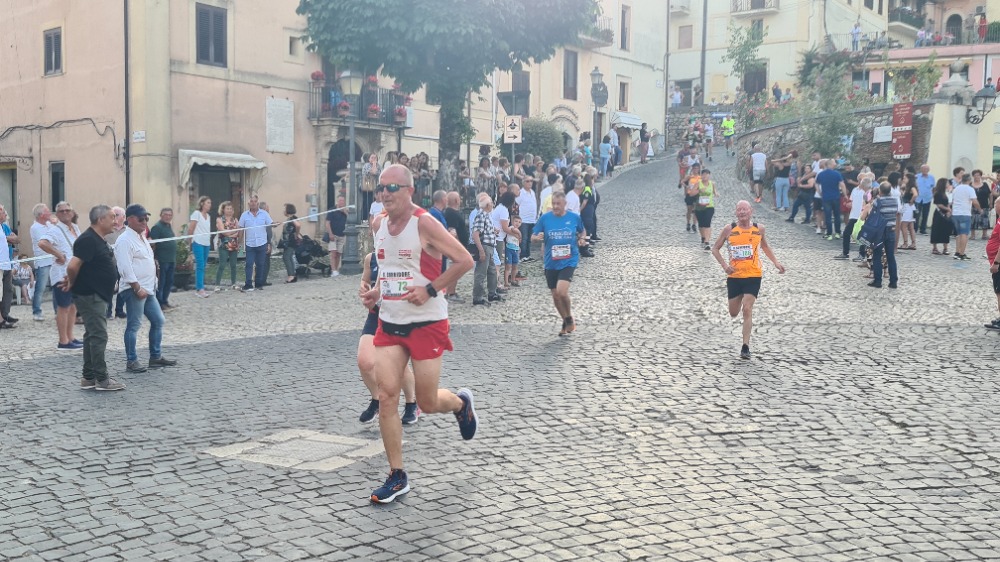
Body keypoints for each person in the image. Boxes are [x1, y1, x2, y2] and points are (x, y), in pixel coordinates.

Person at [360, 163, 477, 504]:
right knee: (387, 396)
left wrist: (429, 289)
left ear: (410, 190)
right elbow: (389, 268)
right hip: (390, 322)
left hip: (427, 323)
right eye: (380, 188)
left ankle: (460, 404)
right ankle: (397, 475)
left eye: (391, 188)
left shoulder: (424, 223)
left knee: (426, 401)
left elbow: (464, 260)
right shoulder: (379, 224)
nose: (384, 194)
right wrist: (376, 292)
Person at [62, 205, 125, 391]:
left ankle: (88, 377)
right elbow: (72, 266)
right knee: (99, 335)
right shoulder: (88, 239)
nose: (115, 221)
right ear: (100, 220)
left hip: (96, 294)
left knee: (92, 335)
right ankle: (102, 379)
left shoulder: (97, 239)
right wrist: (72, 282)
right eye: (112, 217)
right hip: (90, 295)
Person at [711, 201, 785, 360]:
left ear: (751, 211)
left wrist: (776, 262)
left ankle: (745, 346)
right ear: (736, 212)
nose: (742, 212)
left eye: (745, 209)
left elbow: (765, 246)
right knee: (733, 313)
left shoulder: (759, 229)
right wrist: (725, 266)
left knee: (747, 308)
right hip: (735, 277)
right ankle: (738, 299)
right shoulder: (729, 229)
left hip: (753, 275)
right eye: (739, 210)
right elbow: (715, 248)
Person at [357, 251, 420, 425]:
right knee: (365, 361)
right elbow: (365, 280)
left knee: (397, 364)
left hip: (400, 315)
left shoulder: (405, 252)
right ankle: (377, 400)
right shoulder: (371, 258)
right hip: (376, 315)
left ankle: (412, 403)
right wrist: (364, 289)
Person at [116, 204, 177, 373]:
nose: (144, 222)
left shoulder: (141, 236)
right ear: (130, 219)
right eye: (141, 219)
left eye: (146, 218)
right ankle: (131, 360)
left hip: (148, 288)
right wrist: (136, 288)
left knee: (158, 320)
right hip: (134, 289)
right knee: (134, 325)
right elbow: (124, 267)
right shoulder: (124, 240)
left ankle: (155, 357)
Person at [532, 190, 586, 336]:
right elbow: (533, 236)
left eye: (558, 204)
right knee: (555, 295)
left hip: (569, 259)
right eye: (553, 204)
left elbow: (582, 231)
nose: (555, 206)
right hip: (551, 262)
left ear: (564, 204)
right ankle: (566, 320)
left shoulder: (574, 217)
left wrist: (582, 239)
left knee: (562, 291)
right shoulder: (545, 218)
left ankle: (568, 319)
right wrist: (536, 238)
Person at [40, 201, 82, 349]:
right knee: (63, 307)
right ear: (57, 214)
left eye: (67, 210)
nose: (65, 213)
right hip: (61, 274)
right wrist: (58, 254)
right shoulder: (55, 230)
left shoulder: (75, 228)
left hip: (75, 273)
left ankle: (71, 337)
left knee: (73, 306)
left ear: (72, 212)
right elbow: (42, 243)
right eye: (61, 211)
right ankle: (63, 340)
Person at [861, 182, 900, 288]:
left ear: (880, 191)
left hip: (880, 231)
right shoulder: (895, 201)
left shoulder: (878, 201)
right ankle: (893, 281)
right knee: (890, 256)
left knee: (877, 255)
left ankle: (878, 281)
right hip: (891, 230)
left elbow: (873, 214)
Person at [471, 194, 500, 306]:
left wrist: (493, 231)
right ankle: (477, 297)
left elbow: (483, 230)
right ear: (487, 205)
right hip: (485, 246)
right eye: (491, 203)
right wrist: (481, 251)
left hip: (490, 246)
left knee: (492, 270)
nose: (493, 204)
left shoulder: (487, 215)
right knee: (481, 273)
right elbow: (475, 234)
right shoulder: (481, 215)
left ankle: (492, 293)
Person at [239, 195, 273, 292]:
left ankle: (258, 284)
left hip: (262, 243)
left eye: (255, 201)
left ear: (258, 203)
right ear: (249, 203)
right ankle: (248, 284)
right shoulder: (244, 215)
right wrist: (239, 242)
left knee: (260, 264)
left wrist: (276, 224)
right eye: (251, 201)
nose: (253, 203)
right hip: (250, 244)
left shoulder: (264, 214)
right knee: (249, 264)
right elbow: (241, 229)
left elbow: (270, 224)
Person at [29, 203, 57, 321]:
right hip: (43, 261)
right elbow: (47, 241)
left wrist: (55, 224)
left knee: (57, 286)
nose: (50, 213)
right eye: (47, 211)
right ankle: (37, 311)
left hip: (54, 260)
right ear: (41, 215)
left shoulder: (50, 225)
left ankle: (58, 311)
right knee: (40, 288)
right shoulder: (35, 228)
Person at [149, 208, 178, 308]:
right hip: (162, 259)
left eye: (170, 215)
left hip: (171, 259)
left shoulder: (168, 226)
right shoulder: (157, 227)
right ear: (161, 215)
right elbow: (153, 244)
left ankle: (165, 300)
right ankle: (159, 302)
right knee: (161, 282)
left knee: (169, 281)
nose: (168, 217)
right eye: (166, 214)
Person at [950, 173, 980, 261]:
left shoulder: (956, 189)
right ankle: (962, 253)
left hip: (956, 213)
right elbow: (974, 201)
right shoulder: (970, 189)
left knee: (958, 234)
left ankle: (957, 252)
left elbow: (952, 200)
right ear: (969, 180)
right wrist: (980, 209)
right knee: (964, 234)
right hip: (964, 214)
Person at [187, 196, 212, 298]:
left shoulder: (208, 216)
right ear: (202, 204)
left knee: (203, 265)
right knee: (200, 265)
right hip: (197, 242)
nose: (210, 205)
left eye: (210, 203)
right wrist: (190, 242)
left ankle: (200, 286)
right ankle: (200, 289)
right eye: (208, 202)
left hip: (206, 243)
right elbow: (191, 228)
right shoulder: (196, 214)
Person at [817, 159, 845, 239]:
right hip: (836, 197)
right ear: (830, 164)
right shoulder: (837, 174)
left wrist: (819, 192)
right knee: (837, 215)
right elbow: (842, 184)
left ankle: (829, 234)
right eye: (833, 163)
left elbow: (816, 184)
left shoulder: (821, 174)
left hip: (826, 197)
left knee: (828, 216)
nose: (835, 164)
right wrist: (845, 194)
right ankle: (837, 233)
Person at [214, 202, 240, 289]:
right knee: (222, 265)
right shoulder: (219, 219)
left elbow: (238, 232)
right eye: (227, 208)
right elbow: (223, 232)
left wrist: (230, 233)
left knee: (233, 265)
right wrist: (232, 232)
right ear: (223, 210)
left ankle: (233, 283)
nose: (229, 210)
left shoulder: (235, 220)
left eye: (231, 209)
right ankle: (217, 285)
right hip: (223, 245)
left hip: (234, 244)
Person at [984, 198, 1000, 329]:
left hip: (998, 262)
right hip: (994, 259)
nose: (995, 206)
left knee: (999, 291)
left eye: (996, 204)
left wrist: (996, 262)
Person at [695, 169, 718, 251]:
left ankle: (707, 242)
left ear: (709, 175)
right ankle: (703, 237)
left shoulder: (712, 184)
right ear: (701, 175)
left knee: (707, 223)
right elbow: (691, 193)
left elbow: (714, 192)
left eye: (706, 174)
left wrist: (716, 194)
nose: (705, 176)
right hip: (700, 207)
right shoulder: (698, 183)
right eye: (703, 174)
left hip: (709, 206)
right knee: (701, 224)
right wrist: (699, 191)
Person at [930, 178, 953, 255]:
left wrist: (949, 210)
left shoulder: (947, 193)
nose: (948, 184)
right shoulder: (938, 193)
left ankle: (945, 248)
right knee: (936, 229)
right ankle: (935, 247)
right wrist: (948, 209)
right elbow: (939, 204)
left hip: (946, 213)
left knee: (945, 231)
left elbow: (948, 203)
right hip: (939, 213)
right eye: (947, 183)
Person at [326, 196, 347, 277]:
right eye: (340, 200)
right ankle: (333, 270)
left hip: (342, 235)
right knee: (333, 253)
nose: (342, 202)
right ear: (337, 201)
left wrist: (345, 212)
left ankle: (337, 269)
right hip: (333, 234)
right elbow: (327, 223)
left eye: (343, 201)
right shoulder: (332, 210)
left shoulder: (345, 211)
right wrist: (330, 234)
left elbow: (350, 220)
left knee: (339, 253)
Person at [280, 204, 301, 283]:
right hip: (288, 241)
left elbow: (298, 225)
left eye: (284, 209)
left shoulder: (292, 218)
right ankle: (293, 274)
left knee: (286, 257)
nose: (283, 211)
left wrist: (296, 234)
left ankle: (291, 276)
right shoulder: (290, 218)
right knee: (289, 257)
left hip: (290, 241)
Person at [915, 164, 935, 234]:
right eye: (923, 169)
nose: (925, 170)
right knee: (916, 214)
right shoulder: (916, 177)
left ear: (928, 170)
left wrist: (933, 196)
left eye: (926, 169)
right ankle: (915, 228)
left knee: (925, 214)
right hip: (918, 198)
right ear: (921, 169)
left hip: (927, 198)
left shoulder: (931, 177)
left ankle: (923, 229)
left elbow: (933, 187)